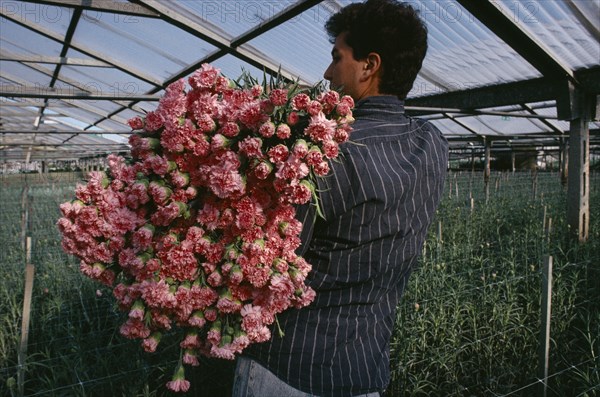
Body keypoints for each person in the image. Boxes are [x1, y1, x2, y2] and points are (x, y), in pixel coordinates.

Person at [232, 0, 448, 395]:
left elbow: (271, 264)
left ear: (369, 65)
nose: (328, 73)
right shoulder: (432, 143)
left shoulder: (330, 154)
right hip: (364, 370)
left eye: (337, 57)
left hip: (292, 368)